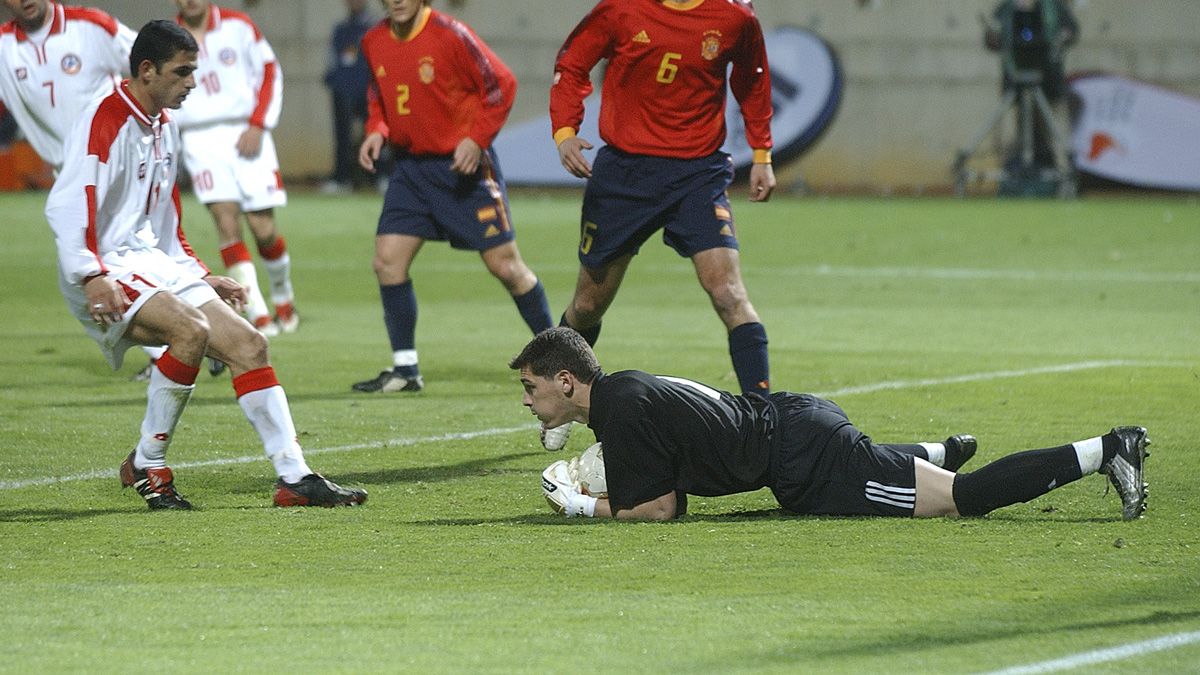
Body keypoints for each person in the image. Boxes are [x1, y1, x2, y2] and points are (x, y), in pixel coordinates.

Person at [45, 19, 367, 510]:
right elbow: (70, 204)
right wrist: (89, 274)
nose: (192, 83)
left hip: (146, 260)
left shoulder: (164, 127)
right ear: (147, 70)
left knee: (248, 343)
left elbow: (166, 222)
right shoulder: (105, 118)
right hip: (104, 265)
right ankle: (152, 468)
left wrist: (199, 276)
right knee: (191, 332)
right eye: (183, 72)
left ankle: (294, 478)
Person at [510, 328, 1149, 522]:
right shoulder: (622, 395)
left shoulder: (620, 411)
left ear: (566, 382)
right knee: (903, 473)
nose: (528, 401)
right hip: (792, 425)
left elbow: (657, 510)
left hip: (805, 458)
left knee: (963, 501)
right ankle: (938, 449)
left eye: (531, 388)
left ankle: (1107, 450)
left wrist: (579, 506)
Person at [544, 0, 777, 449]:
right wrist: (565, 131)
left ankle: (766, 420)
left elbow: (752, 83)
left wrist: (762, 154)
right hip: (624, 175)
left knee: (728, 292)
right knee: (589, 304)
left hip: (698, 174)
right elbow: (572, 63)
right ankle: (560, 402)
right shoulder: (621, 10)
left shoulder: (735, 17)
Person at [0, 0, 221, 379]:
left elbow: (150, 63)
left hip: (117, 156)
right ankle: (189, 335)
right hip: (71, 170)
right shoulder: (4, 47)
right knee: (115, 257)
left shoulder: (91, 26)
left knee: (123, 252)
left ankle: (192, 334)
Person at [350, 0, 553, 394]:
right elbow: (379, 93)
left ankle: (563, 358)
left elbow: (502, 85)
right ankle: (406, 369)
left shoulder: (451, 35)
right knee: (387, 261)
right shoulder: (374, 40)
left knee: (507, 268)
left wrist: (476, 139)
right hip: (410, 170)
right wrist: (377, 128)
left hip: (463, 170)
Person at [172, 0, 297, 336]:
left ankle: (283, 296)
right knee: (226, 223)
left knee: (264, 228)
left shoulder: (238, 26)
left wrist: (258, 125)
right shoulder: (170, 37)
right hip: (199, 139)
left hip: (246, 132)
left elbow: (270, 71)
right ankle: (257, 312)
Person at [982, 0, 1079, 169]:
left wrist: (1064, 35)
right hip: (1017, 83)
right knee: (1023, 136)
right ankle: (1022, 175)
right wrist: (994, 36)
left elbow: (1071, 31)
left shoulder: (1053, 8)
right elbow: (992, 41)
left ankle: (1064, 174)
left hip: (1049, 83)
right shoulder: (1007, 9)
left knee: (1056, 134)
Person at [321, 0, 376, 194]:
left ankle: (379, 177)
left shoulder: (374, 27)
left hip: (368, 91)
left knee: (375, 133)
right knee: (342, 136)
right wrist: (333, 81)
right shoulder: (341, 29)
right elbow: (332, 61)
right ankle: (341, 178)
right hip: (343, 90)